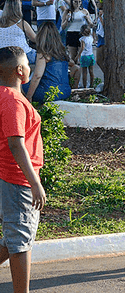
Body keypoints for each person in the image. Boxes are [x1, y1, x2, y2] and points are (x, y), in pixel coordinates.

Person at [0, 46, 46, 291]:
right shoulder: (13, 100)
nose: (30, 66)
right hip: (17, 180)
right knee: (20, 242)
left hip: (10, 177)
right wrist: (34, 183)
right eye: (28, 63)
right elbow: (16, 144)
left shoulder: (4, 97)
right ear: (20, 71)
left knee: (14, 237)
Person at [22, 22, 73, 103]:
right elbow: (73, 65)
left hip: (50, 92)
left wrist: (29, 97)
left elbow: (37, 76)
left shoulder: (43, 52)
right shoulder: (62, 51)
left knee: (21, 84)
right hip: (66, 90)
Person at [0, 0, 37, 64]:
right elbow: (35, 39)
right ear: (18, 8)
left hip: (3, 55)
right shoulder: (21, 23)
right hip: (22, 54)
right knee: (44, 57)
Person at [64, 0, 91, 65]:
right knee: (72, 57)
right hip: (71, 33)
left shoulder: (84, 11)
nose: (78, 3)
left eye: (79, 2)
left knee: (80, 57)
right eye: (76, 2)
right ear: (72, 2)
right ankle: (73, 73)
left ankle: (79, 73)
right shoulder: (68, 11)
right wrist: (67, 20)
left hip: (81, 34)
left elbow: (91, 25)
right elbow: (63, 26)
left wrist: (87, 19)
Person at [77, 24, 95, 88]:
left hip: (84, 56)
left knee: (84, 72)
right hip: (91, 55)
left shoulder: (82, 39)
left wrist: (78, 55)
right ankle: (92, 84)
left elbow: (82, 47)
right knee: (91, 71)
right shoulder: (91, 38)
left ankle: (84, 86)